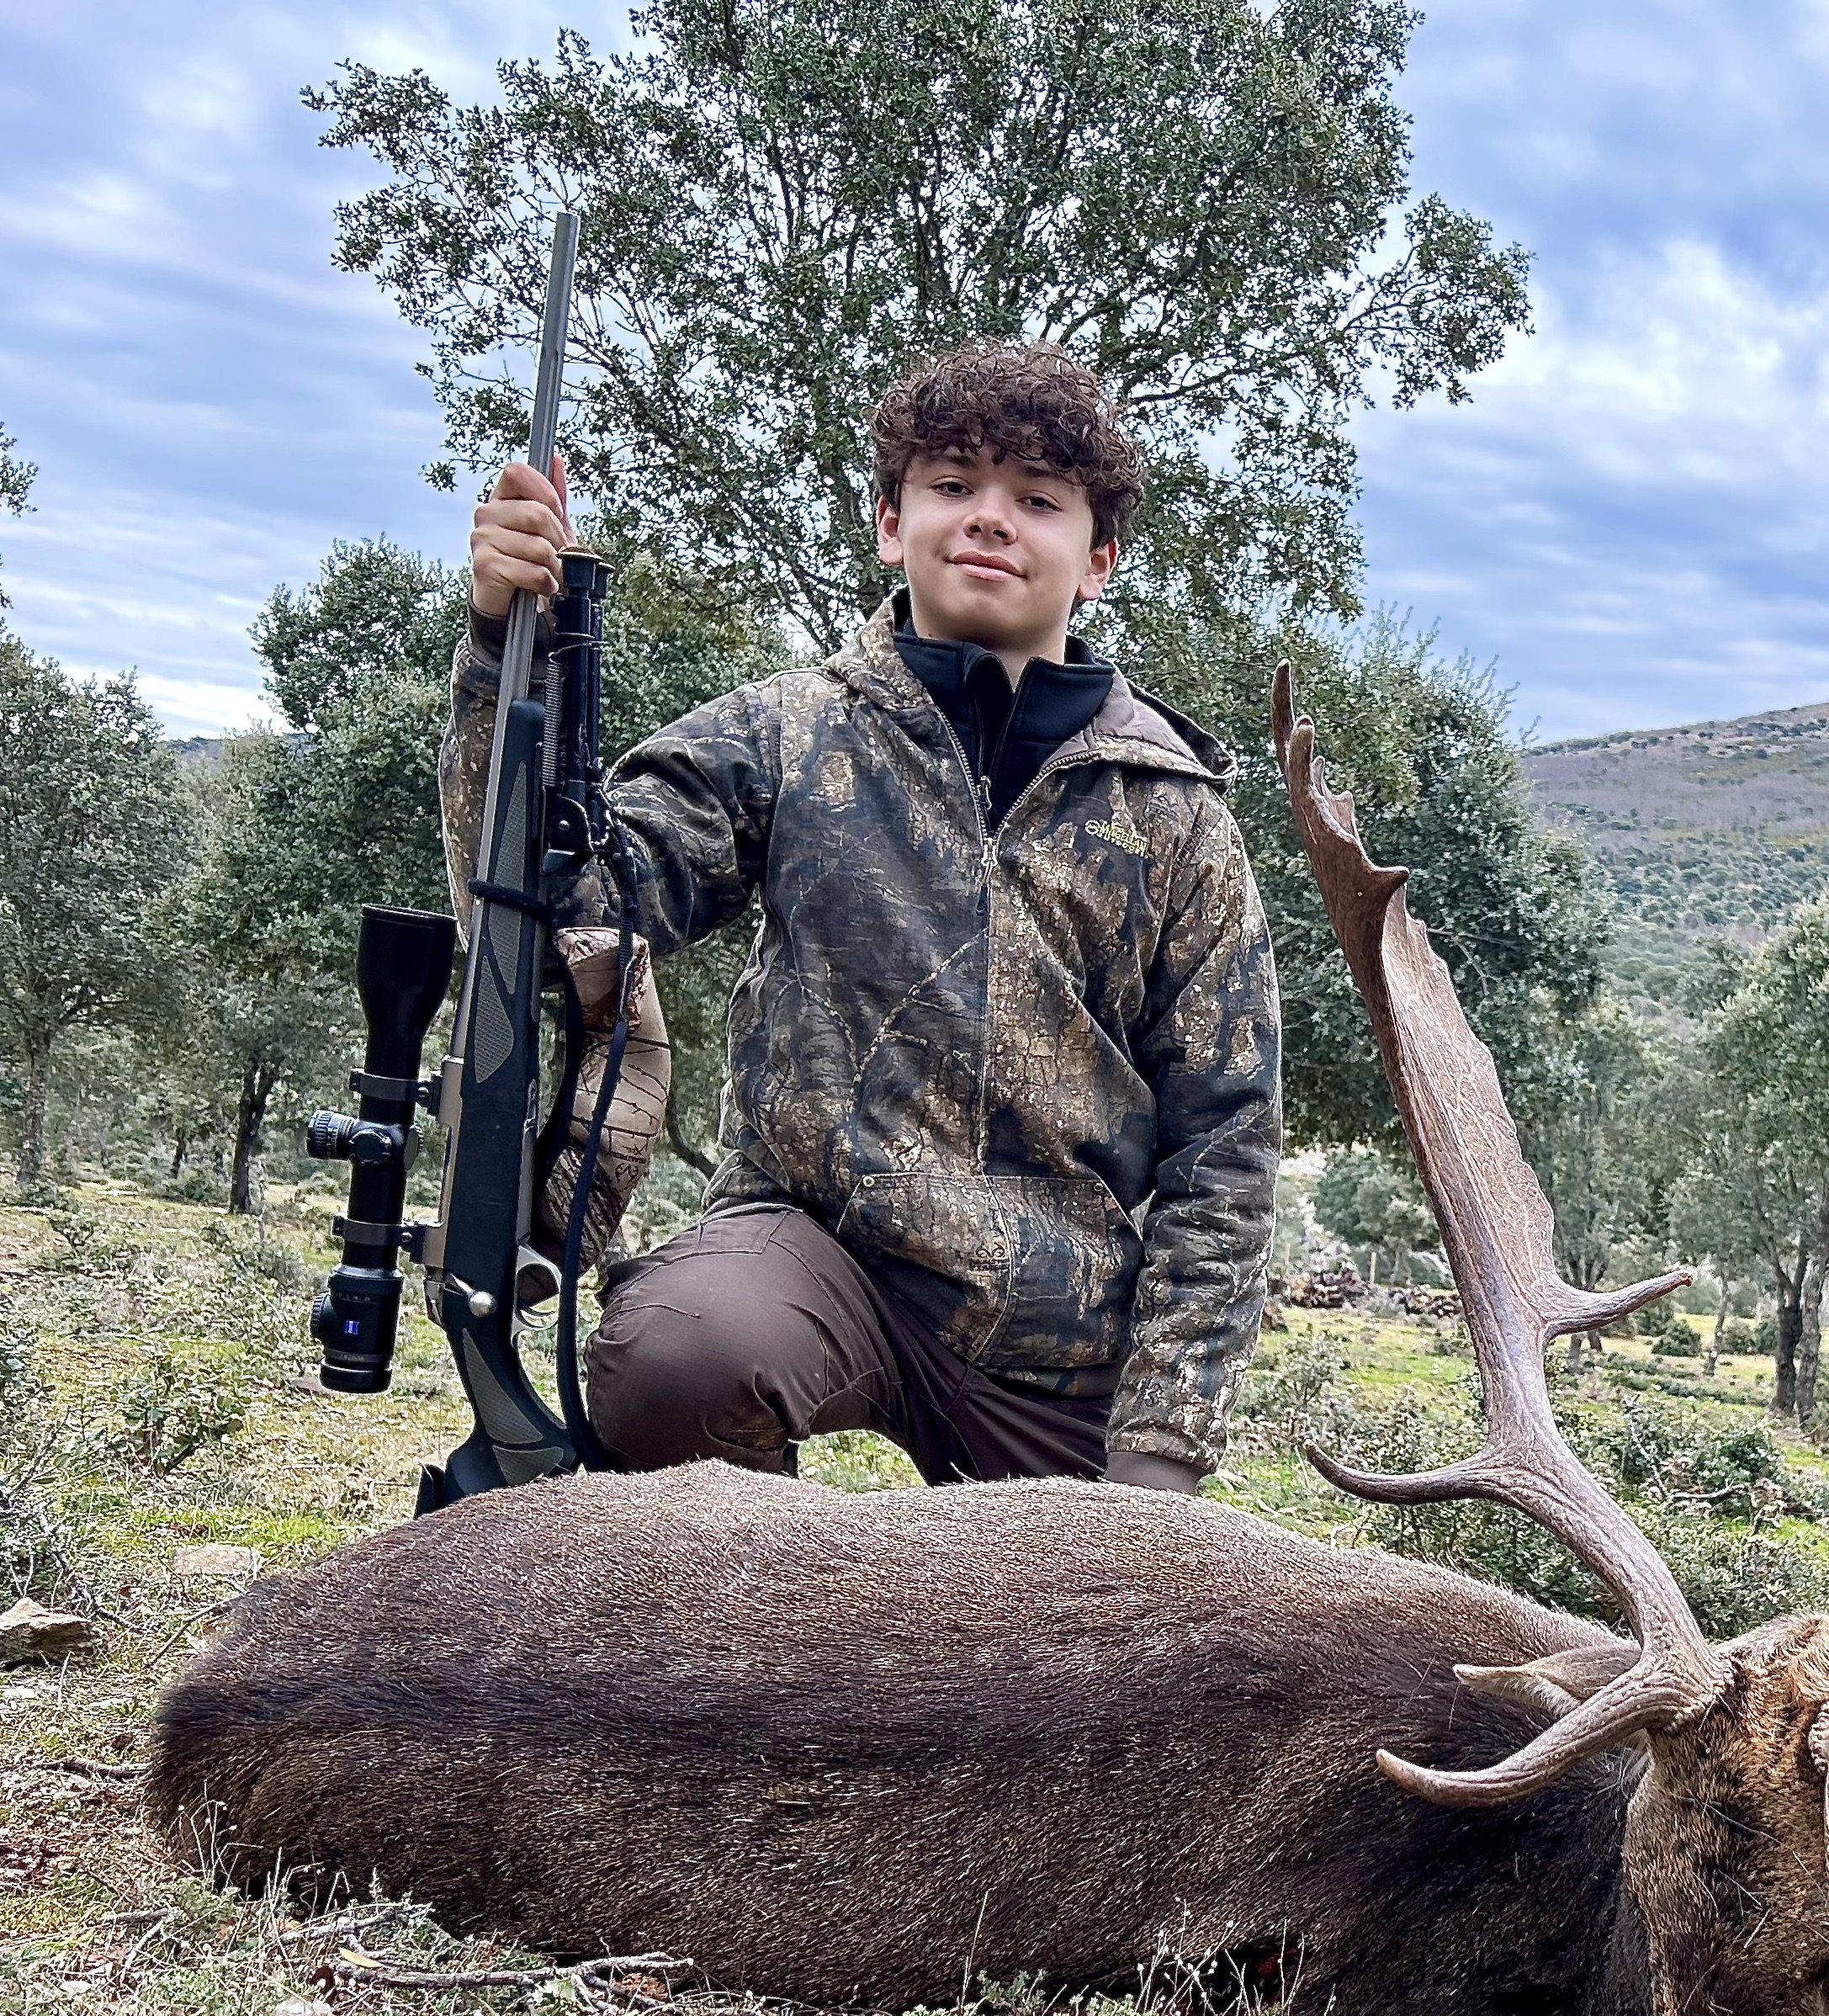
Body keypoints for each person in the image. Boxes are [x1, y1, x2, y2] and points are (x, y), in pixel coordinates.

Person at [439, 342, 1278, 1493]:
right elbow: (558, 912)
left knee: (1108, 1644)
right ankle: (765, 1643)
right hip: (809, 1247)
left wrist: (1162, 1453)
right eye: (951, 486)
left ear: (1098, 559)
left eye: (1037, 500)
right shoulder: (790, 733)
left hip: (1051, 1327)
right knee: (676, 1360)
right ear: (892, 524)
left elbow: (1225, 1146)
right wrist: (502, 651)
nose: (991, 519)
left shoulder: (1176, 815)